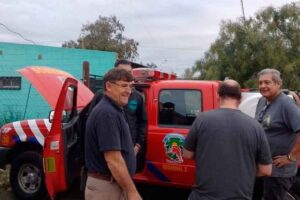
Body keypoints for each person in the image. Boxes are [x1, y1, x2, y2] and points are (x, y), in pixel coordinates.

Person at [183, 80, 272, 200]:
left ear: (218, 96)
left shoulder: (202, 119)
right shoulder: (256, 126)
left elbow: (187, 154)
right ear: (240, 98)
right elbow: (266, 170)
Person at [84, 68, 142, 200]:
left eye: (130, 86)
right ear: (109, 86)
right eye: (123, 86)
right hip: (105, 189)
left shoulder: (115, 110)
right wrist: (132, 192)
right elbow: (113, 160)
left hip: (112, 185)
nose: (128, 91)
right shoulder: (107, 113)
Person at [254, 68, 300, 200]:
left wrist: (291, 157)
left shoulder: (286, 104)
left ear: (278, 84)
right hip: (264, 168)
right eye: (260, 83)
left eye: (267, 82)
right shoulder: (262, 101)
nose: (263, 86)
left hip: (279, 172)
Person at [88, 59, 147, 157]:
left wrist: (138, 145)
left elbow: (143, 121)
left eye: (129, 72)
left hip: (129, 148)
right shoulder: (101, 96)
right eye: (123, 72)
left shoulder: (137, 97)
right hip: (106, 150)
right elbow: (90, 121)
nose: (128, 76)